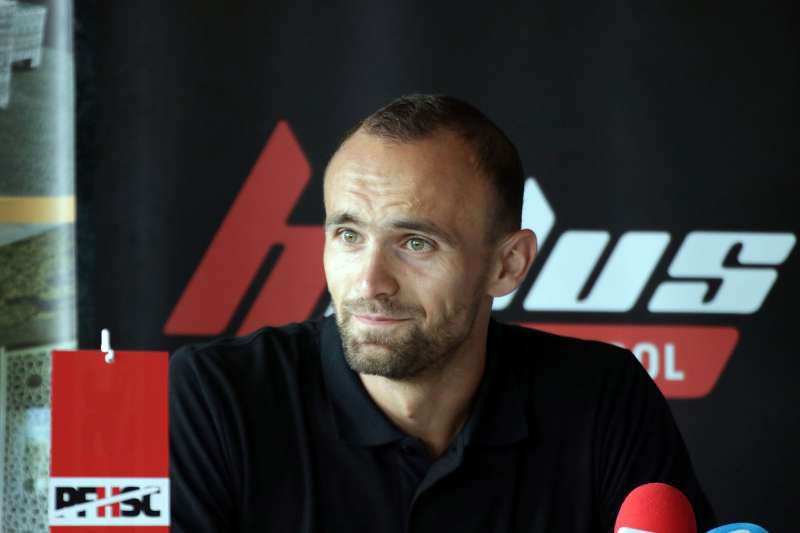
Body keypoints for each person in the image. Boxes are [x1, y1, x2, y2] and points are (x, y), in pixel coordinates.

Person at [169, 94, 715, 532]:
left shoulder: (601, 398)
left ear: (507, 265)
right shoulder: (218, 397)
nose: (370, 282)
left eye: (416, 243)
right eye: (349, 235)